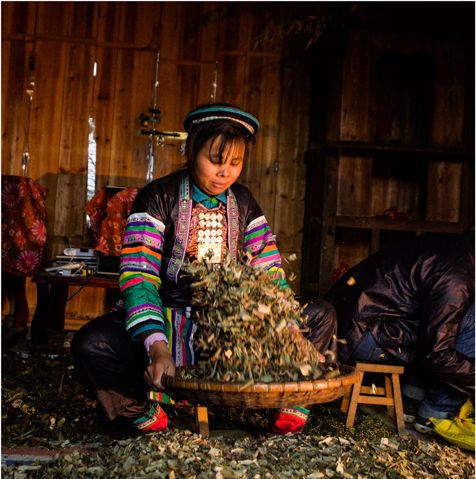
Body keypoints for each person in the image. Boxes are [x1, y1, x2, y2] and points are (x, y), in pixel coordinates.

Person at [72, 103, 337, 436]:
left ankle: (287, 406)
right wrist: (157, 347)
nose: (224, 172)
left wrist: (293, 336)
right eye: (215, 160)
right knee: (91, 343)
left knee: (320, 315)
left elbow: (269, 274)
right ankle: (140, 411)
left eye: (235, 163)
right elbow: (139, 277)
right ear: (191, 151)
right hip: (166, 316)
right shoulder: (157, 198)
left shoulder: (245, 204)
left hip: (228, 327)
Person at [325, 233, 474, 434]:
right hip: (363, 334)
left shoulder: (456, 247)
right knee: (469, 319)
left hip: (353, 323)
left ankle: (411, 397)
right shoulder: (457, 279)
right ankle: (437, 412)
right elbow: (437, 353)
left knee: (440, 323)